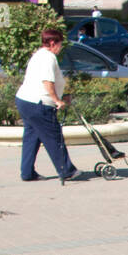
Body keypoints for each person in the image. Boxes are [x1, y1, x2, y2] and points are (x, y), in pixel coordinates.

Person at [14, 28, 84, 184]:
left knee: (31, 137)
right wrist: (57, 100)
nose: (60, 47)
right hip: (39, 104)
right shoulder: (48, 58)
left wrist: (61, 96)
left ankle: (27, 173)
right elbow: (47, 82)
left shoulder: (38, 55)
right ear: (52, 43)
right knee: (54, 137)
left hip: (25, 101)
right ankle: (66, 171)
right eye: (59, 44)